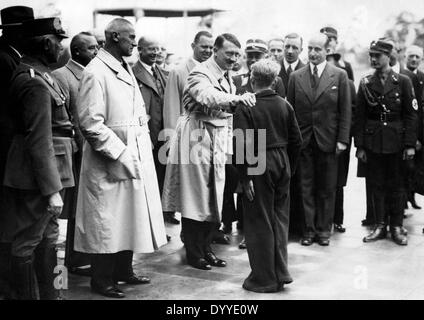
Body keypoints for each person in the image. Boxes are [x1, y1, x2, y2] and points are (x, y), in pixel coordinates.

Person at [75, 18, 167, 298]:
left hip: (134, 153)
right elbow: (91, 123)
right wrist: (120, 152)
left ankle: (124, 271)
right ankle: (101, 279)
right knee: (107, 221)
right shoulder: (96, 71)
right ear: (115, 37)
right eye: (131, 37)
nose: (135, 42)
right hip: (112, 158)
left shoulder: (123, 66)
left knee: (130, 217)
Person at [162, 33, 256, 270]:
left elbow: (226, 113)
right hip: (196, 136)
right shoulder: (200, 73)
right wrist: (236, 99)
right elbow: (206, 95)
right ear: (215, 51)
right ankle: (194, 253)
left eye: (237, 54)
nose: (233, 58)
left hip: (215, 139)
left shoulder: (227, 76)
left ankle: (206, 248)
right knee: (195, 198)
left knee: (213, 195)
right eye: (229, 53)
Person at [4, 17, 71, 300]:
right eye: (58, 41)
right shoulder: (34, 82)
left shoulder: (40, 75)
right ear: (46, 43)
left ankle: (54, 294)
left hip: (48, 174)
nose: (60, 47)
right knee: (28, 242)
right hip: (38, 178)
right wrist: (52, 191)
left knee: (53, 240)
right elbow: (39, 140)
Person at [234, 59, 302, 292]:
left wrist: (244, 178)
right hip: (281, 160)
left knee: (258, 221)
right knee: (280, 220)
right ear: (274, 81)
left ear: (252, 80)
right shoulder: (285, 105)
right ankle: (281, 272)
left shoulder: (246, 106)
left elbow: (241, 144)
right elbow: (297, 140)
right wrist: (288, 168)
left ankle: (263, 279)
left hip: (257, 162)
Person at [287, 33, 351, 246]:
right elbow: (291, 112)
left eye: (318, 49)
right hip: (304, 142)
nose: (313, 53)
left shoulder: (339, 76)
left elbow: (345, 111)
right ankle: (308, 231)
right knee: (305, 187)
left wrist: (342, 139)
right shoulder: (296, 77)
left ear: (327, 51)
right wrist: (293, 141)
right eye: (311, 49)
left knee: (327, 187)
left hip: (329, 142)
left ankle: (324, 230)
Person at [355, 39, 417, 246]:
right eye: (371, 55)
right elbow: (359, 117)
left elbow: (411, 115)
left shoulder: (403, 81)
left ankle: (397, 227)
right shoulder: (365, 83)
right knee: (376, 184)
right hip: (374, 143)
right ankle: (379, 225)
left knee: (398, 185)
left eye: (377, 55)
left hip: (397, 142)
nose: (373, 59)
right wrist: (360, 146)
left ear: (388, 57)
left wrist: (409, 145)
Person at [232, 38, 286, 249]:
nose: (253, 58)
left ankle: (258, 234)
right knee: (243, 187)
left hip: (263, 143)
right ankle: (244, 227)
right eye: (250, 55)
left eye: (257, 55)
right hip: (242, 138)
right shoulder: (237, 80)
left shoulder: (274, 80)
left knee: (260, 194)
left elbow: (275, 109)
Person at [52, 32, 98, 276]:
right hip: (76, 153)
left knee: (86, 206)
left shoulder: (93, 74)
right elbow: (63, 118)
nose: (97, 52)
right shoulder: (61, 76)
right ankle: (76, 259)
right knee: (75, 208)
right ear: (78, 51)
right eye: (92, 48)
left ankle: (80, 256)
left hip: (90, 150)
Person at [0, 4, 34, 299]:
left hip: (15, 151)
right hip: (10, 152)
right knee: (13, 228)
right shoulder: (6, 60)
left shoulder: (15, 57)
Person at [132, 36, 174, 225]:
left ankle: (160, 222)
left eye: (158, 49)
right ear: (140, 50)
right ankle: (148, 225)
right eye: (151, 49)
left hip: (164, 138)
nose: (156, 53)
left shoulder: (164, 74)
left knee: (161, 181)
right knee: (147, 184)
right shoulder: (131, 73)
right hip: (146, 138)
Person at [163, 31, 213, 133]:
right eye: (204, 47)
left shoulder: (214, 72)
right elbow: (171, 110)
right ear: (193, 46)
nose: (208, 51)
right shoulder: (178, 71)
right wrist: (171, 141)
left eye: (211, 48)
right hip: (186, 136)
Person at [402, 45, 424, 209]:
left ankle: (413, 196)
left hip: (421, 129)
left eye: (417, 57)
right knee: (405, 167)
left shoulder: (422, 77)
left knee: (418, 168)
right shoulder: (401, 76)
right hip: (407, 131)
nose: (414, 59)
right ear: (406, 58)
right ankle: (403, 200)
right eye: (411, 56)